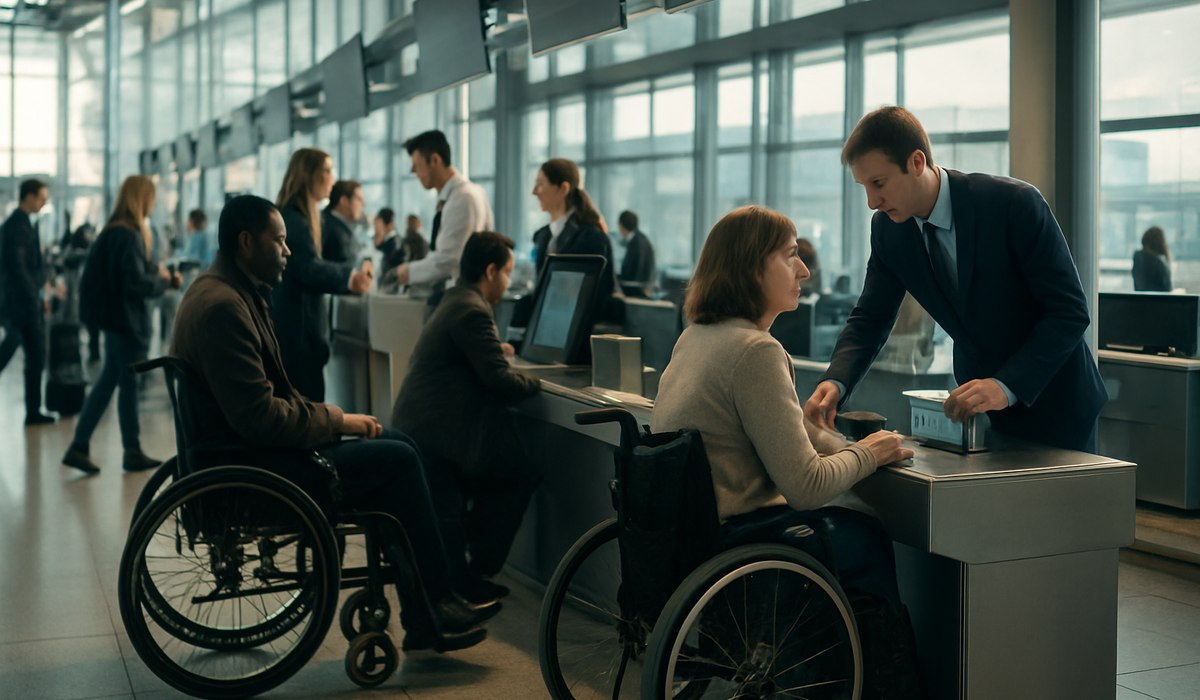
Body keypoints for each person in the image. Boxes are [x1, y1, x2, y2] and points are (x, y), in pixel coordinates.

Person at [172, 194, 498, 653]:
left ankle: (431, 605)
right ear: (247, 243)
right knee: (399, 459)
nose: (288, 252)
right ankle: (433, 607)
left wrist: (335, 421)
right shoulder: (226, 307)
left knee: (396, 441)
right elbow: (262, 418)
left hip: (239, 454)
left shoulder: (223, 291)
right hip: (255, 470)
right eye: (280, 241)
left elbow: (266, 402)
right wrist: (337, 421)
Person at [650, 205, 921, 698]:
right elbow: (806, 485)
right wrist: (871, 455)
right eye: (791, 256)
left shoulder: (698, 338)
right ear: (753, 267)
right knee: (867, 537)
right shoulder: (757, 351)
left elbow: (763, 433)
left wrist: (833, 442)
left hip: (693, 530)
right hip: (746, 538)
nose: (805, 270)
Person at [804, 106, 1107, 453]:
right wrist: (837, 380)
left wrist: (1005, 385)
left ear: (917, 162)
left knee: (1056, 508)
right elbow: (872, 316)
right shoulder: (889, 230)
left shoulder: (1014, 205)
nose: (873, 201)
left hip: (1056, 403)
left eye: (879, 183)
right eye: (864, 187)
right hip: (976, 410)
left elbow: (1069, 312)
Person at [392, 231, 541, 604]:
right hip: (436, 435)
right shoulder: (472, 309)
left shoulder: (455, 299)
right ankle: (476, 571)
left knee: (480, 488)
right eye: (507, 273)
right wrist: (536, 380)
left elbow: (479, 358)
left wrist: (496, 349)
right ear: (490, 271)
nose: (508, 282)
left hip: (422, 427)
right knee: (517, 475)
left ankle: (465, 574)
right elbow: (501, 382)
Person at [63, 175, 181, 474]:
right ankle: (125, 449)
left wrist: (154, 274)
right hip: (126, 323)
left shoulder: (114, 232)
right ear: (141, 198)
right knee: (123, 385)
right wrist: (162, 280)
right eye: (151, 197)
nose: (154, 204)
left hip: (115, 322)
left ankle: (92, 446)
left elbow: (125, 274)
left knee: (113, 384)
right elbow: (132, 282)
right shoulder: (128, 234)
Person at [271, 148, 373, 401]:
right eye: (327, 171)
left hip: (299, 332)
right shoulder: (294, 219)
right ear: (309, 175)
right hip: (299, 336)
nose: (333, 178)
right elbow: (306, 266)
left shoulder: (299, 216)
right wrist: (349, 277)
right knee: (307, 415)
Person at [392, 130, 492, 303]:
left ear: (435, 160)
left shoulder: (463, 198)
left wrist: (408, 272)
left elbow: (449, 261)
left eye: (417, 165)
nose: (413, 171)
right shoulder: (455, 197)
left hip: (462, 302)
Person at [531, 158, 619, 320]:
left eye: (541, 184)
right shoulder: (544, 236)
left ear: (563, 188)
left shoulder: (591, 237)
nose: (534, 191)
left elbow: (595, 296)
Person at [0, 178, 54, 426]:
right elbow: (20, 269)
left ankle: (34, 411)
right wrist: (35, 295)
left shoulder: (22, 224)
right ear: (28, 197)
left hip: (24, 300)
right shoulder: (17, 227)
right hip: (21, 303)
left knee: (32, 353)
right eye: (41, 198)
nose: (44, 203)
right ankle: (33, 411)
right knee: (24, 351)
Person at [322, 179, 364, 264]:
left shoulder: (336, 224)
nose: (363, 205)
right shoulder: (329, 227)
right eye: (359, 199)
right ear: (344, 201)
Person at [616, 209, 657, 297]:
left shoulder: (637, 242)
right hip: (640, 287)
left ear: (622, 226)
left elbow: (638, 270)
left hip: (638, 290)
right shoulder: (639, 238)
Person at [1132, 225, 1172, 292]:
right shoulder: (1159, 264)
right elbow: (1167, 290)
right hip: (1158, 301)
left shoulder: (1138, 258)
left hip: (1139, 301)